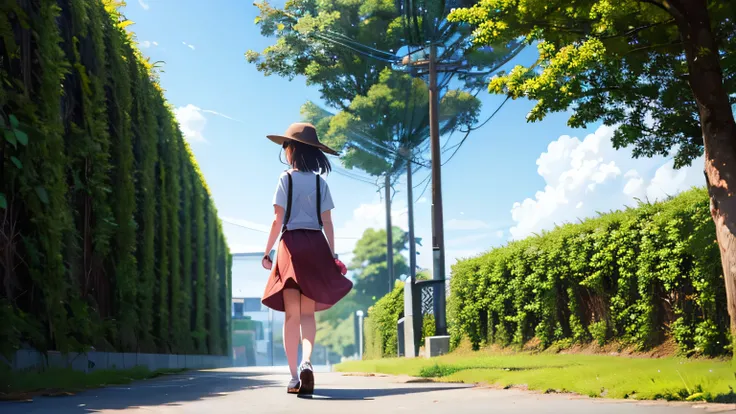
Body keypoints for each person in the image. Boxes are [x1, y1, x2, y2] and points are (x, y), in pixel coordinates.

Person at [260, 122, 352, 395]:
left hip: (290, 245)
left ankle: (293, 378)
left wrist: (267, 252)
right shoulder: (319, 182)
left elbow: (278, 219)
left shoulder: (285, 178)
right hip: (316, 246)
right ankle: (307, 362)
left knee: (292, 316)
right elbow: (328, 222)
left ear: (292, 149)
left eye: (286, 145)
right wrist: (332, 256)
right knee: (308, 314)